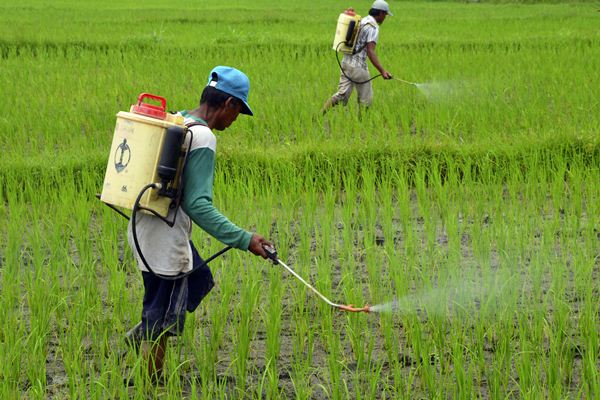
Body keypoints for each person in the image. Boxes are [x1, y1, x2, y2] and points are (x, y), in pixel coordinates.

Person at [125, 66, 271, 382]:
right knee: (161, 318)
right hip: (166, 237)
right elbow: (197, 205)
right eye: (238, 113)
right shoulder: (202, 137)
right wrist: (245, 239)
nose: (235, 121)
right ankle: (152, 383)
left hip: (144, 224)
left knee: (199, 277)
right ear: (229, 104)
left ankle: (145, 327)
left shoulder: (179, 120)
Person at [321, 0, 393, 114]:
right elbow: (371, 51)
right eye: (385, 14)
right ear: (380, 13)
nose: (385, 17)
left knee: (341, 95)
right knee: (366, 100)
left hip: (346, 63)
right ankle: (362, 126)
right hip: (359, 67)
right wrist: (383, 71)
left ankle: (320, 115)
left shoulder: (361, 20)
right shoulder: (373, 27)